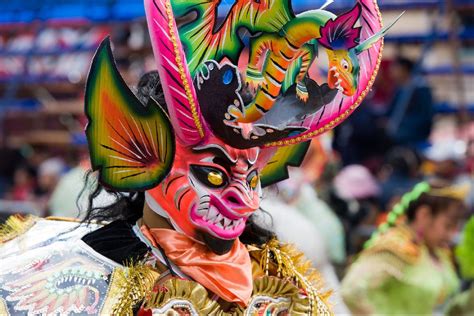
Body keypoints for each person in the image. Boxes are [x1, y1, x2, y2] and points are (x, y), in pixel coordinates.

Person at [0, 0, 389, 314]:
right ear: (142, 152)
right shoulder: (78, 280)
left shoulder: (279, 276)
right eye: (213, 174)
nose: (245, 198)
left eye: (251, 176)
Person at [341, 182, 466, 315]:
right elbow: (351, 291)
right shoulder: (396, 247)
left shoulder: (437, 251)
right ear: (423, 215)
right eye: (447, 226)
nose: (452, 235)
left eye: (455, 228)